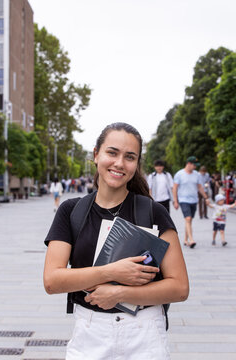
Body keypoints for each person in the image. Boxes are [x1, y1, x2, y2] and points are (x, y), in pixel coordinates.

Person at [44, 122, 189, 360]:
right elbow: (52, 281)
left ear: (137, 164)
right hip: (90, 335)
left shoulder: (153, 212)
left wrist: (119, 293)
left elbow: (180, 287)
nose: (120, 163)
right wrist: (112, 271)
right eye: (112, 153)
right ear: (96, 154)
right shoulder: (71, 211)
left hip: (144, 334)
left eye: (130, 157)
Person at [173, 156, 209, 248]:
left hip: (194, 200)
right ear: (189, 164)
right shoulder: (179, 174)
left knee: (189, 220)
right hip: (183, 200)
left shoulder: (196, 174)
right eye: (194, 165)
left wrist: (206, 197)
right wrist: (175, 201)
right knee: (188, 219)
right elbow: (175, 188)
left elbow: (200, 187)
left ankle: (185, 239)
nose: (195, 167)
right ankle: (191, 240)